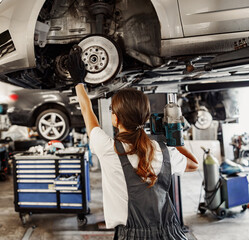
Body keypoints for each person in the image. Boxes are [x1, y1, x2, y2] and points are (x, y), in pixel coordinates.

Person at [67, 46, 199, 240]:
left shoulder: (108, 149)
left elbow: (87, 112)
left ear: (116, 119)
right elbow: (194, 165)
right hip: (172, 234)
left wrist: (78, 80)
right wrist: (173, 138)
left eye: (112, 111)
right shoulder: (161, 149)